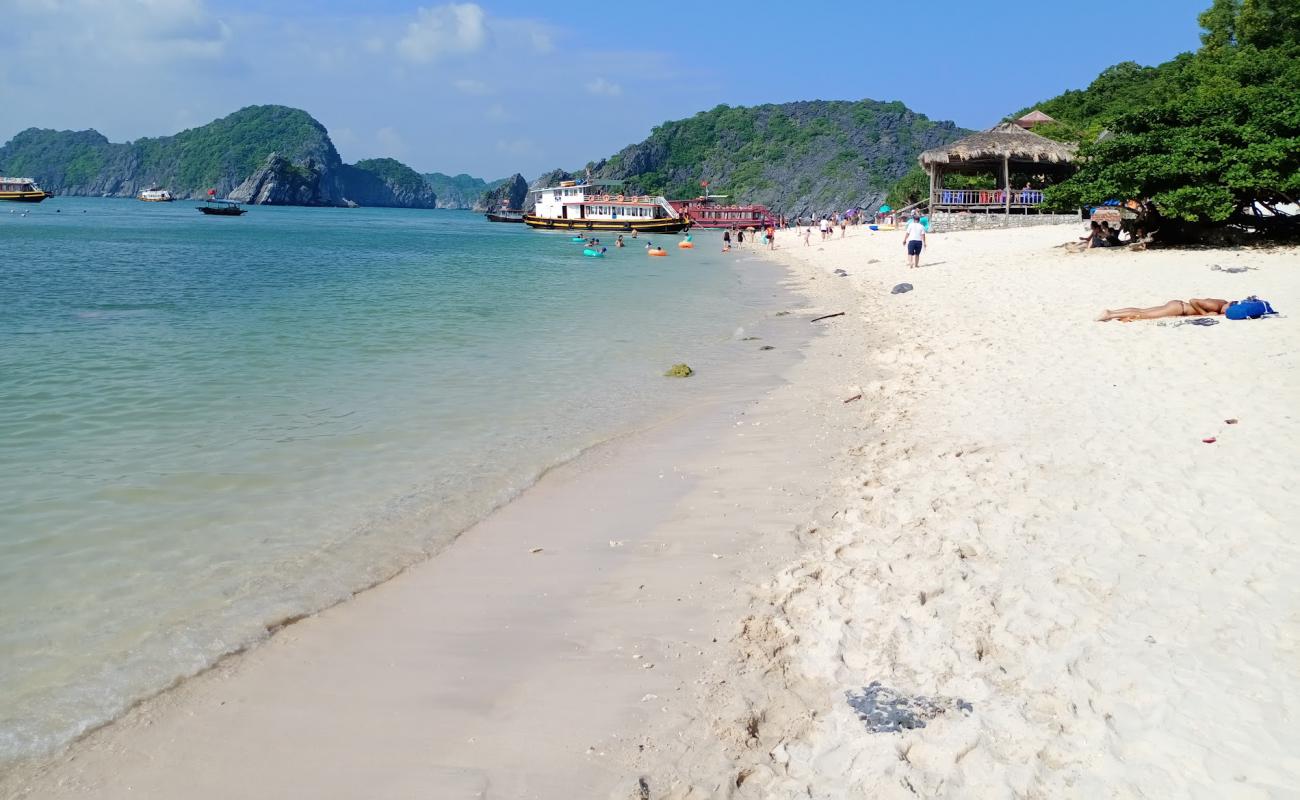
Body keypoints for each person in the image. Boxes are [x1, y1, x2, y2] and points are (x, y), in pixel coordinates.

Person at [1097, 298, 1230, 322]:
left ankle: (1112, 312)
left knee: (1142, 310)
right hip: (1179, 308)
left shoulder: (1222, 302)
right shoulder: (1215, 306)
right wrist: (1205, 314)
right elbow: (1193, 300)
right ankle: (1111, 314)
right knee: (1143, 315)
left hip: (1178, 306)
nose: (1226, 313)